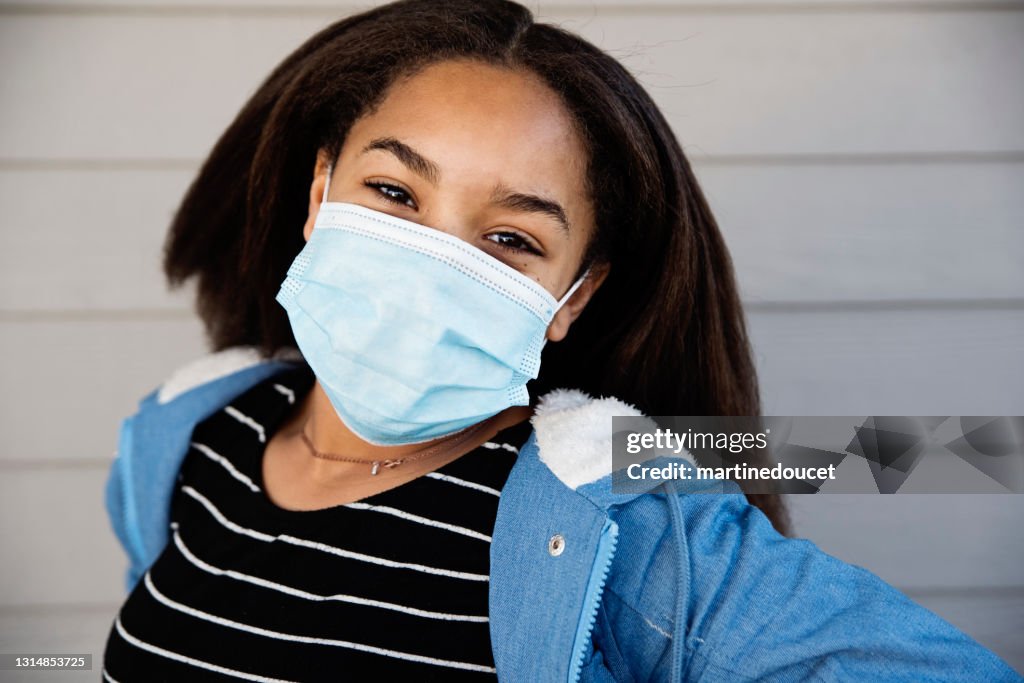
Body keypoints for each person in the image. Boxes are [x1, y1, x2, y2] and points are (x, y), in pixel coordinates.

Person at [101, 0, 1022, 680]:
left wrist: (977, 447)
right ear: (320, 189)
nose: (432, 260)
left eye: (511, 238)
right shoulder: (182, 435)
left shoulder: (625, 515)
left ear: (573, 296)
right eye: (394, 193)